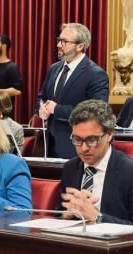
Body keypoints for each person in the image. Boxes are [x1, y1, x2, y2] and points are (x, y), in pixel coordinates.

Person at [58, 100, 133, 227]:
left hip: (115, 245)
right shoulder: (70, 168)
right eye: (77, 139)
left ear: (110, 134)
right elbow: (58, 214)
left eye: (91, 140)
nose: (83, 148)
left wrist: (97, 218)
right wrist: (66, 216)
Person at [35, 23, 109, 159]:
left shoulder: (96, 74)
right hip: (48, 142)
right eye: (59, 39)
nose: (58, 45)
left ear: (80, 46)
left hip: (77, 145)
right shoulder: (54, 68)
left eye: (65, 41)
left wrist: (56, 109)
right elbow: (42, 96)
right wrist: (41, 109)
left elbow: (95, 112)